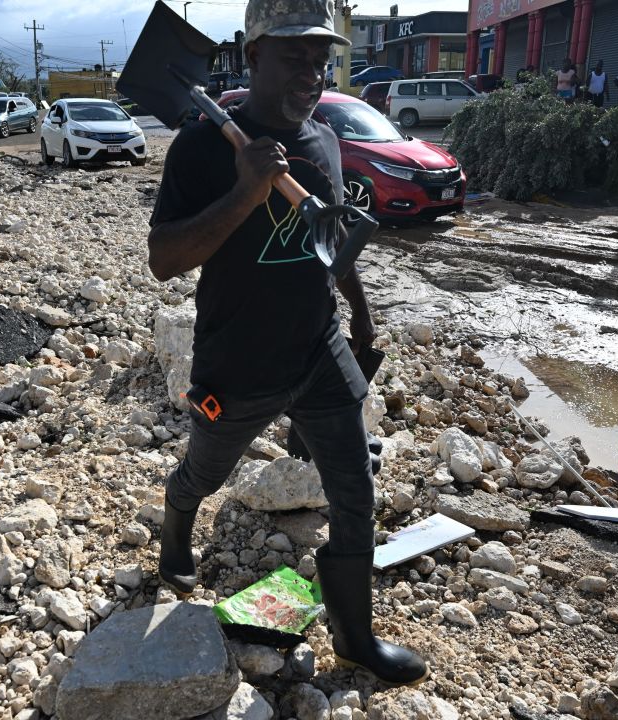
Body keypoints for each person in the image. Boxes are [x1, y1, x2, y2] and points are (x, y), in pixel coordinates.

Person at [147, 0, 427, 688]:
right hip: (236, 362)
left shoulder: (324, 138)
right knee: (206, 472)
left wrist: (360, 316)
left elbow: (333, 242)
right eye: (294, 55)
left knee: (355, 485)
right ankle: (177, 522)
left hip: (319, 349)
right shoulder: (204, 145)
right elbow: (164, 259)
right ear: (253, 56)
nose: (312, 70)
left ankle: (356, 640)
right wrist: (246, 191)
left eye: (321, 57)